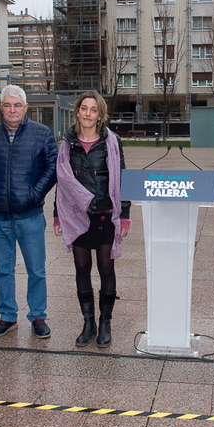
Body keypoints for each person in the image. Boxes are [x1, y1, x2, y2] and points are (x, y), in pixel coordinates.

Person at [0, 85, 57, 339]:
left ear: (25, 108)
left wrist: (34, 194)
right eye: (8, 105)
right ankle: (7, 315)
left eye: (17, 105)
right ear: (2, 108)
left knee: (36, 269)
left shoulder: (42, 134)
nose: (12, 110)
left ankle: (38, 316)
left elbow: (52, 167)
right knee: (3, 270)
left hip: (29, 215)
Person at [53, 91, 131, 348]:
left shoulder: (112, 141)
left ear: (100, 114)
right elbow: (62, 182)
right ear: (77, 111)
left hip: (106, 214)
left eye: (93, 109)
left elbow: (122, 177)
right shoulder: (67, 143)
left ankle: (105, 322)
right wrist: (57, 214)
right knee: (81, 268)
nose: (88, 113)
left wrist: (125, 214)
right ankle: (89, 322)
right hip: (76, 215)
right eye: (84, 108)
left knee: (106, 268)